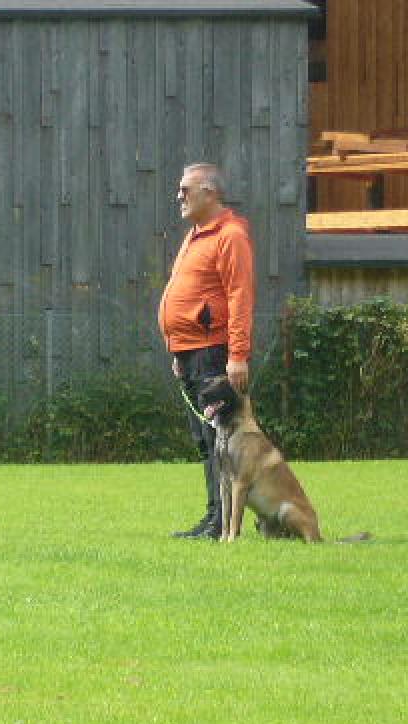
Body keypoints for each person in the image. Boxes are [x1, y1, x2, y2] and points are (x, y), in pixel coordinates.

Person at [157, 162, 256, 539]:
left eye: (186, 189)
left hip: (213, 353)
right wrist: (177, 349)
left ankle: (223, 523)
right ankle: (215, 517)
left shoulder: (230, 235)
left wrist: (238, 355)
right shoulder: (195, 235)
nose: (179, 196)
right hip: (190, 352)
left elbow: (240, 296)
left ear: (210, 193)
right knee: (204, 439)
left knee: (220, 440)